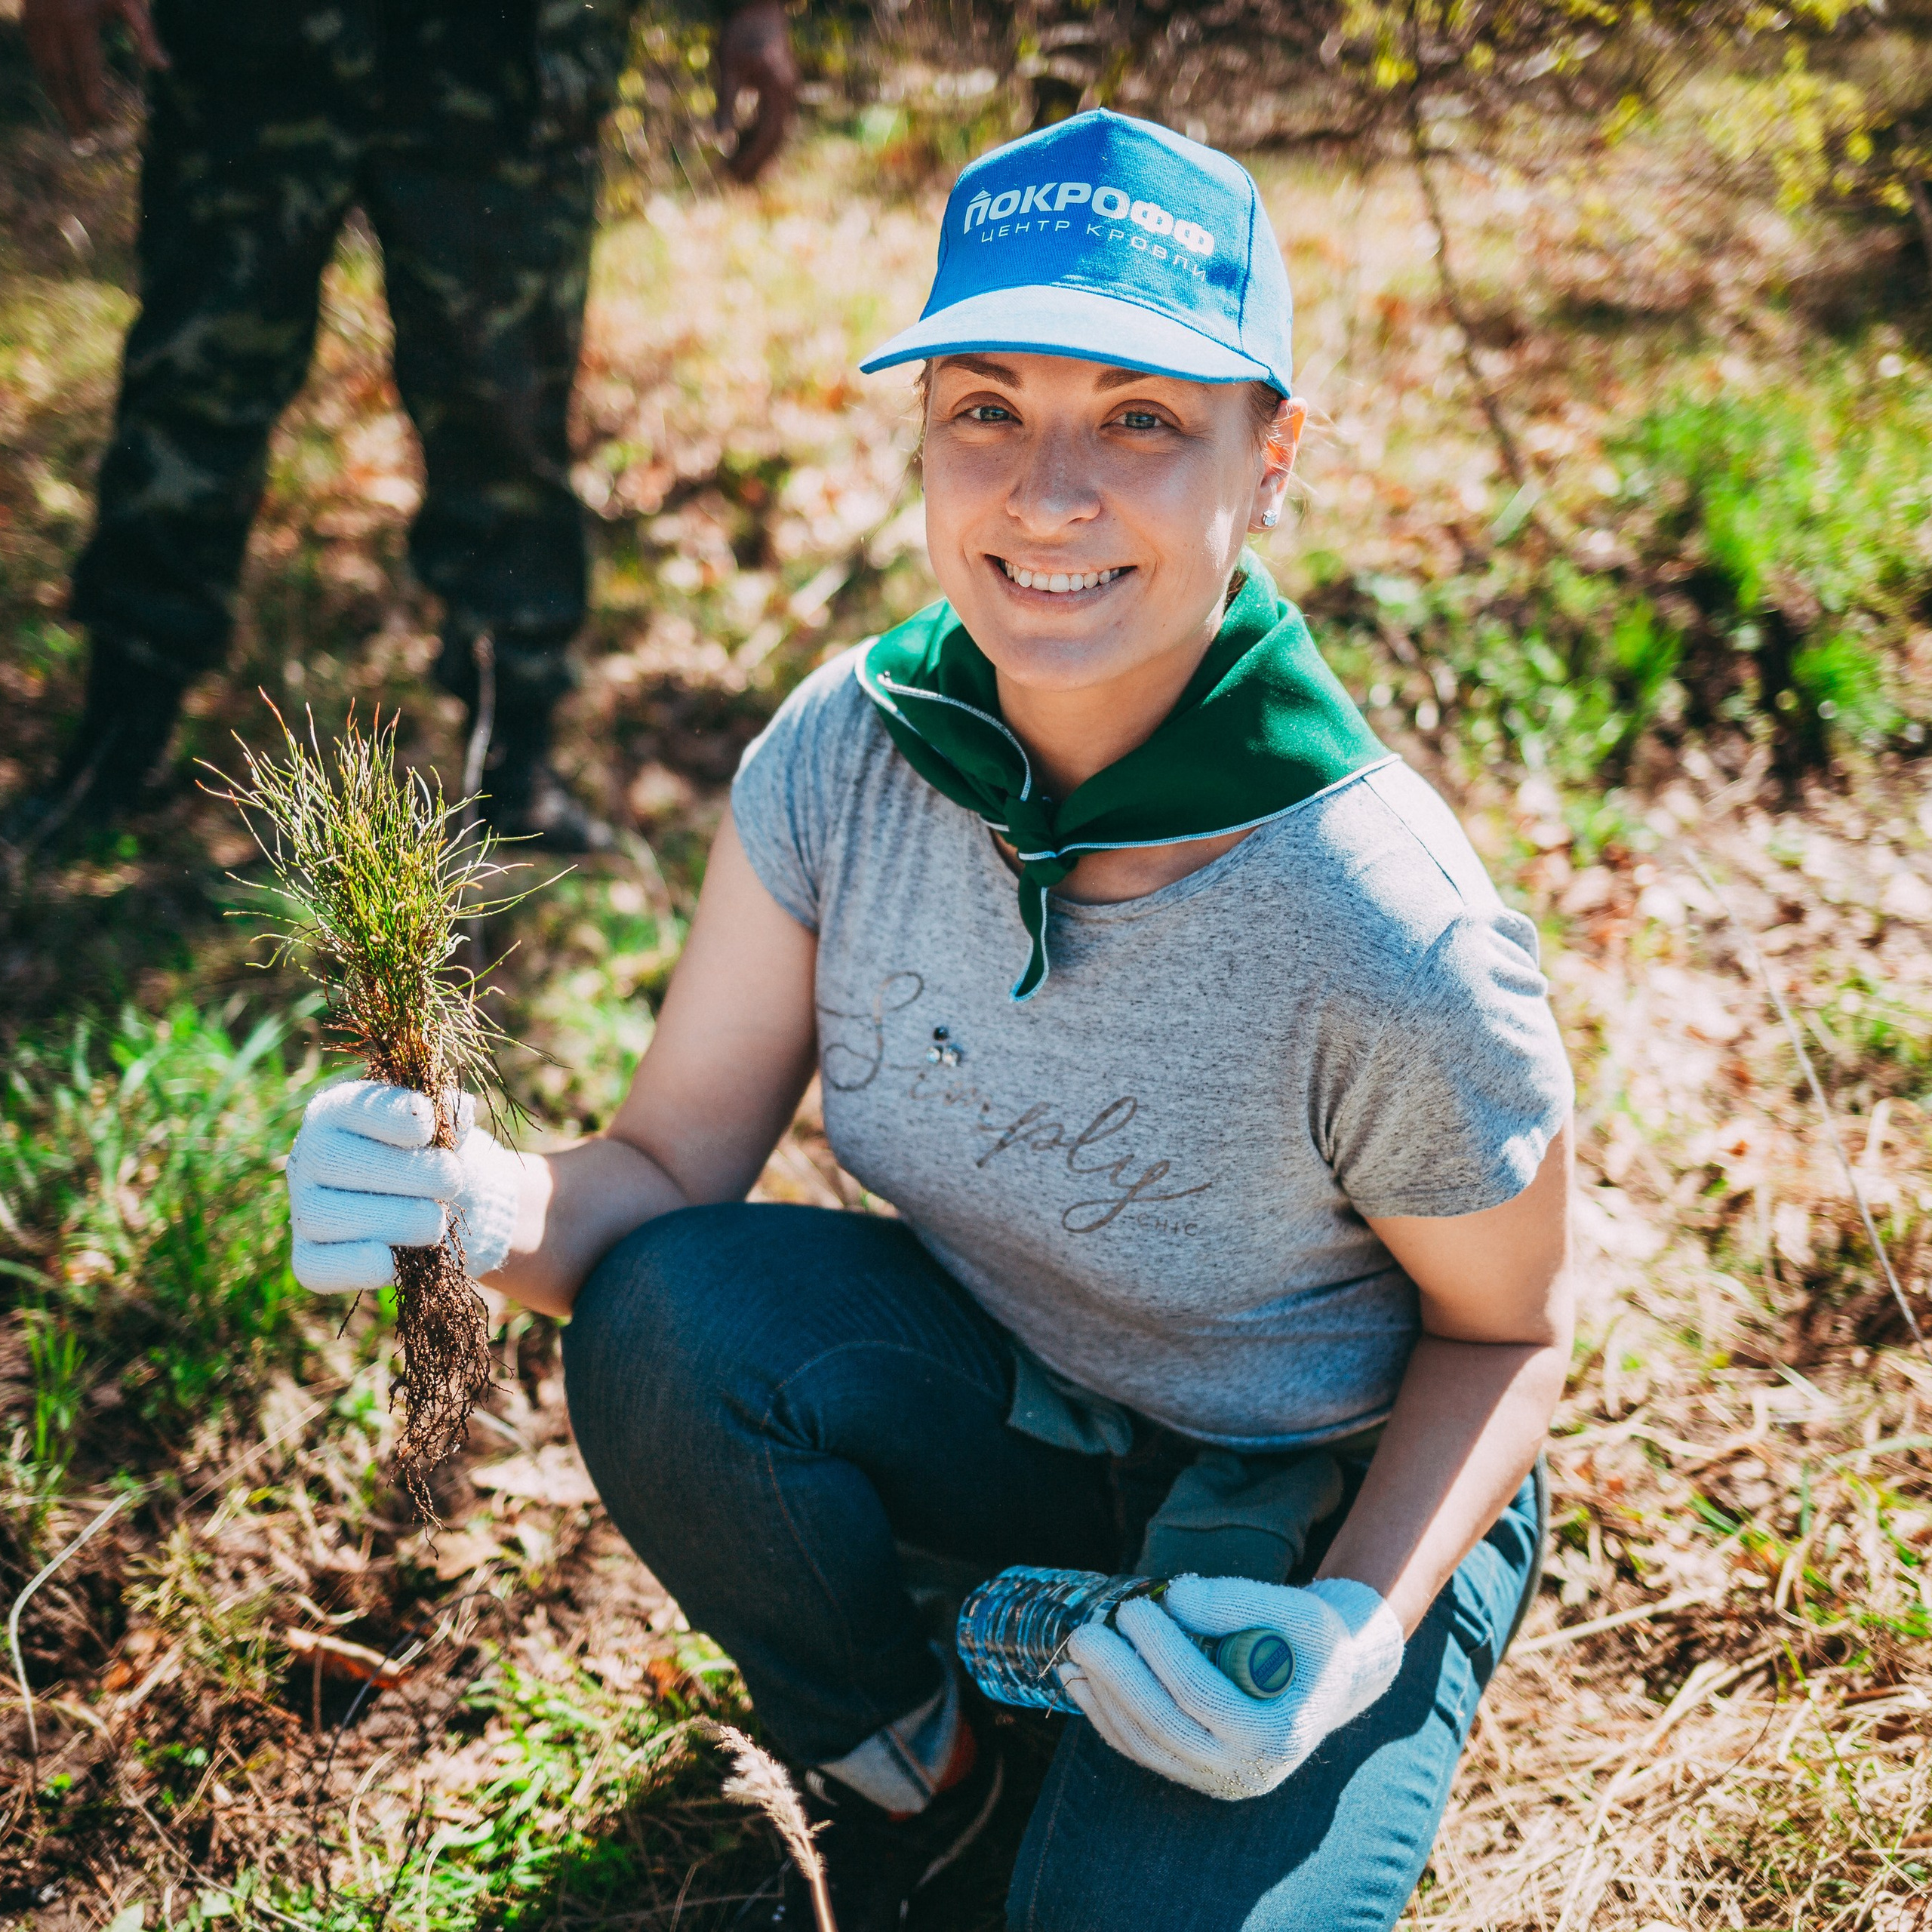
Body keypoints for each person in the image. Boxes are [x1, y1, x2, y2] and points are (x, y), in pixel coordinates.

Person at [278, 111, 1576, 1931]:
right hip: (1015, 1404)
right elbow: (660, 1177)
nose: (1045, 492)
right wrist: (471, 1200)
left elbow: (1502, 1338)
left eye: (1137, 417)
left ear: (1266, 455)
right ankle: (919, 1772)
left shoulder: (1375, 925)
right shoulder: (851, 752)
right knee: (675, 1321)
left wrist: (1350, 1627)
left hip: (1303, 1507)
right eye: (984, 406)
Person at [8, 0, 798, 852]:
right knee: (195, 384)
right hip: (254, 49)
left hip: (502, 60)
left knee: (507, 409)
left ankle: (514, 760)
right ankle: (117, 742)